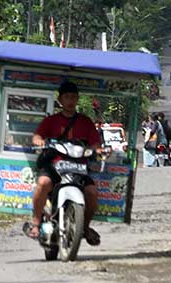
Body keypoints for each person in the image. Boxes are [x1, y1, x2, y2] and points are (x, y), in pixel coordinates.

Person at [26, 81, 102, 246]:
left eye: (73, 97)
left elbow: (96, 143)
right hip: (55, 166)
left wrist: (98, 149)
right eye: (67, 97)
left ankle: (85, 227)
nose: (70, 101)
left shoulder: (85, 121)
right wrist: (39, 142)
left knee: (92, 193)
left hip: (79, 168)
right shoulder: (51, 121)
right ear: (60, 100)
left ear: (77, 99)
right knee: (43, 182)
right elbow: (37, 136)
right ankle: (36, 221)